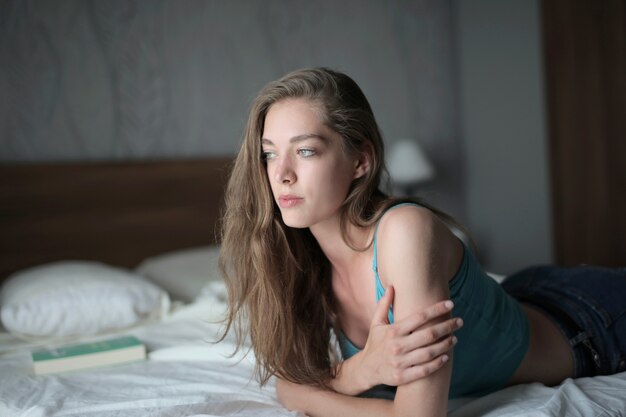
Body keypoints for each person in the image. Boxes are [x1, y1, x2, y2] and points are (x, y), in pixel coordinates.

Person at [218, 67, 626, 417]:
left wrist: (328, 389)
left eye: (305, 151)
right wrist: (363, 371)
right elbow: (287, 387)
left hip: (586, 322)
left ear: (361, 161)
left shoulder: (404, 231)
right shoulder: (292, 257)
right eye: (269, 154)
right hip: (518, 298)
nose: (281, 174)